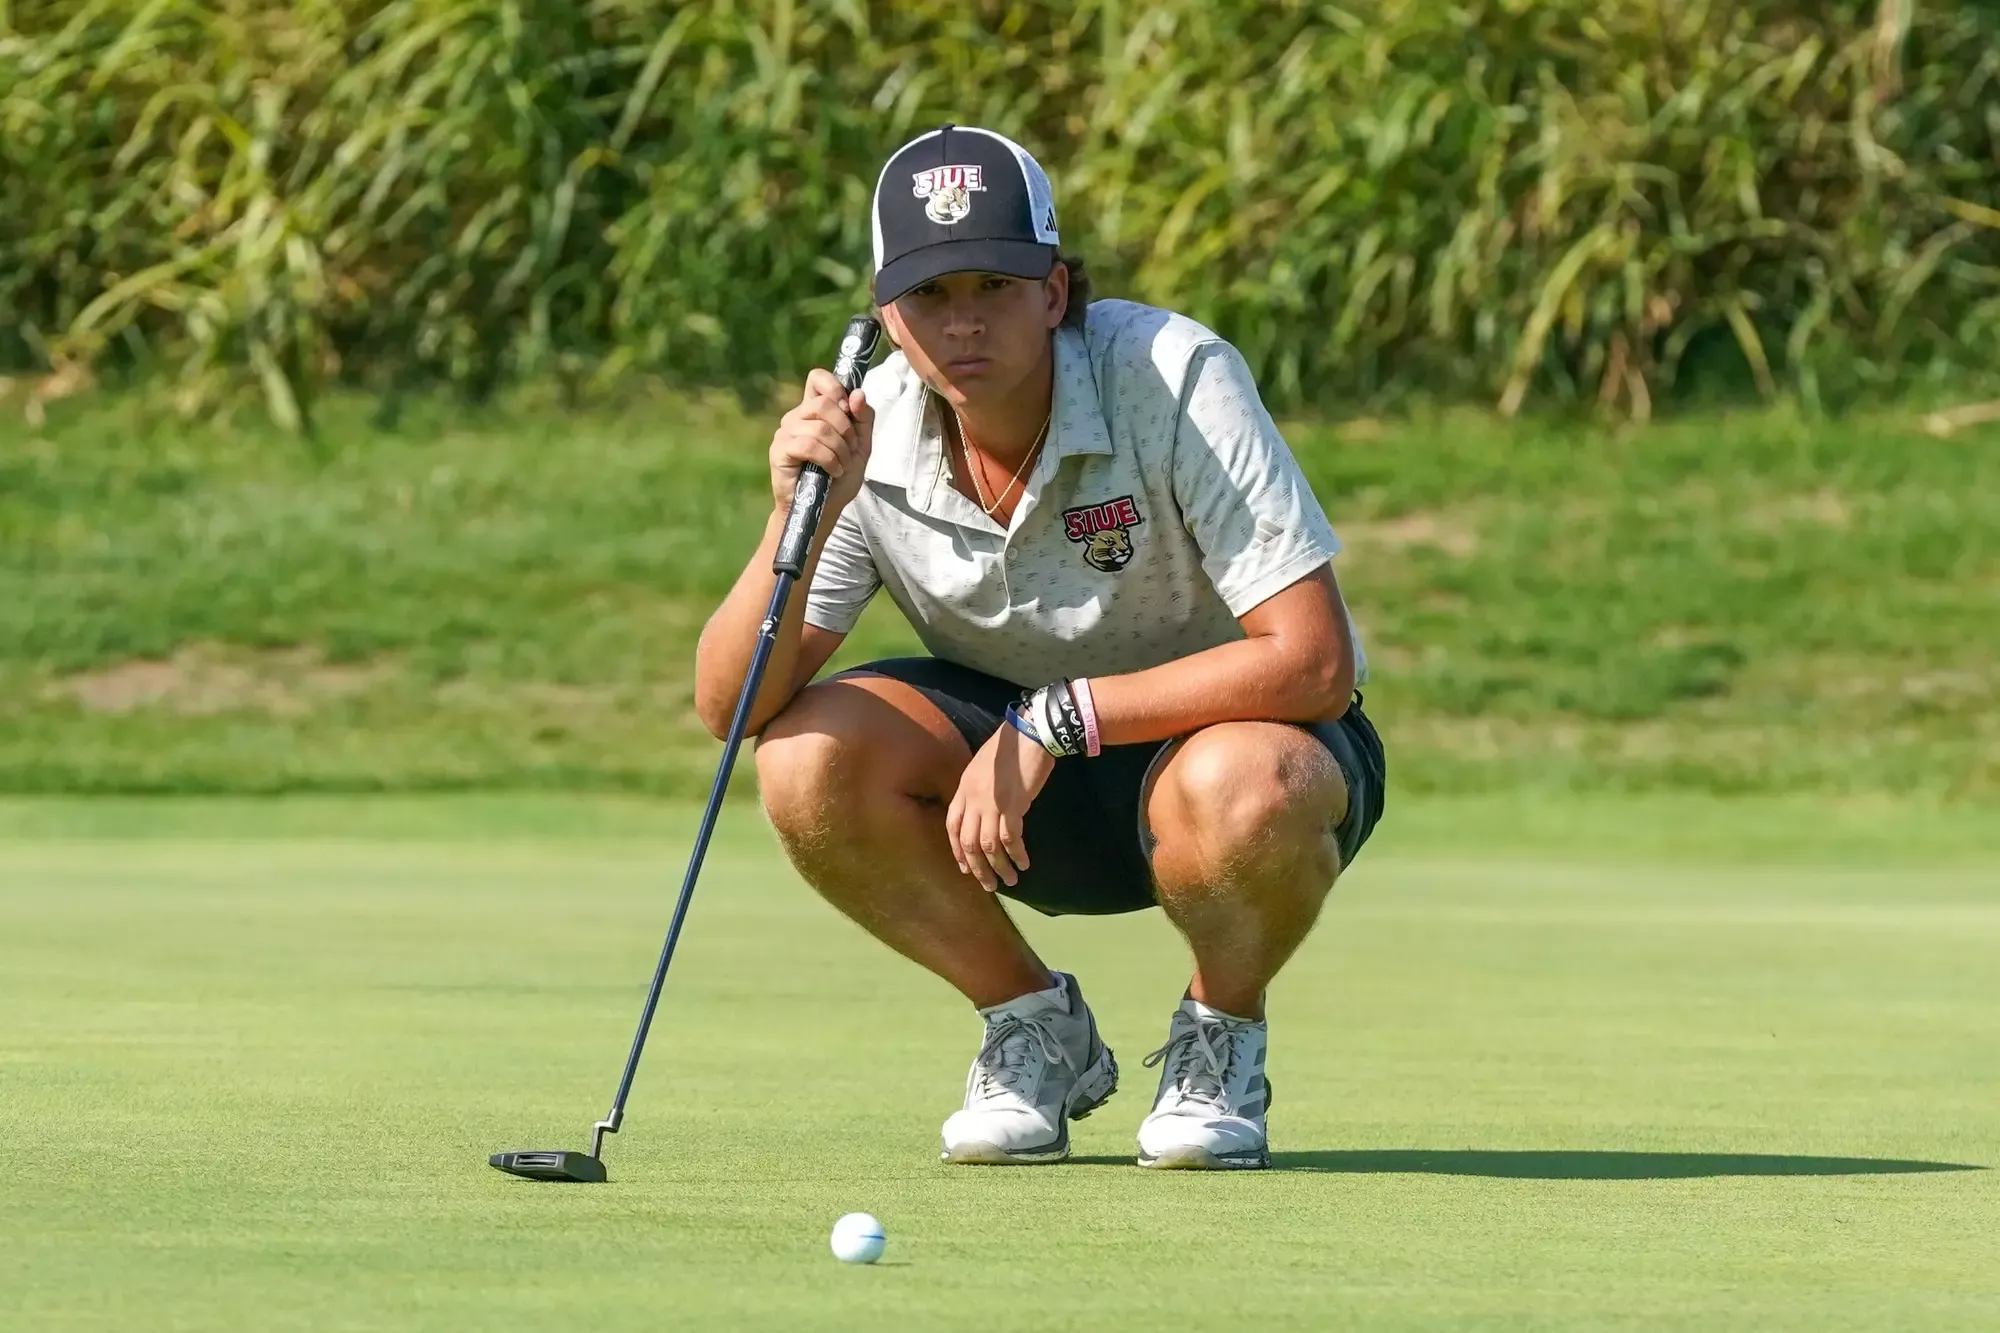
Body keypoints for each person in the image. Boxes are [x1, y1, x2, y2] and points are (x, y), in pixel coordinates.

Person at [693, 124, 1385, 1170]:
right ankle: (1033, 1026)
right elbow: (733, 707)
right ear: (887, 314)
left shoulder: (1170, 374)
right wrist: (797, 508)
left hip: (1226, 761)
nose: (961, 322)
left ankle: (1218, 1038)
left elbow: (1314, 663)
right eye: (929, 296)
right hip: (1012, 798)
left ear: (1055, 293)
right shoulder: (868, 434)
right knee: (803, 756)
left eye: (995, 286)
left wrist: (1059, 717)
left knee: (1247, 779)